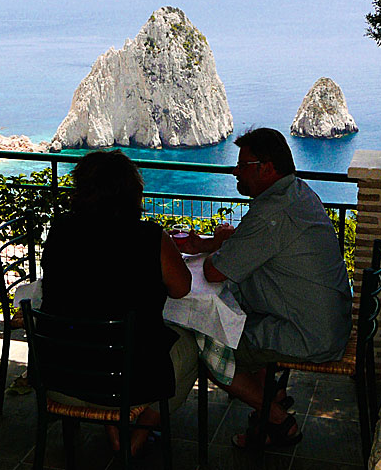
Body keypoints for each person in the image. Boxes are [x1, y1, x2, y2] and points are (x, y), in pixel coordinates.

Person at [175, 127, 352, 448]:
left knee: (214, 347)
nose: (235, 171)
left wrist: (212, 249)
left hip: (308, 333)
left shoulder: (273, 212)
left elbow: (215, 272)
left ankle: (277, 419)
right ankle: (274, 397)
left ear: (266, 169)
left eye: (243, 166)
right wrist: (216, 243)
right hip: (328, 318)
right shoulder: (295, 192)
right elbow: (248, 247)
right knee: (241, 321)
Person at [40, 149, 196, 457]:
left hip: (60, 376)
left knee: (104, 338)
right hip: (128, 382)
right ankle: (134, 438)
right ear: (132, 193)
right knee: (192, 347)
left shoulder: (60, 230)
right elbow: (181, 289)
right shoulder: (151, 237)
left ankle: (116, 427)